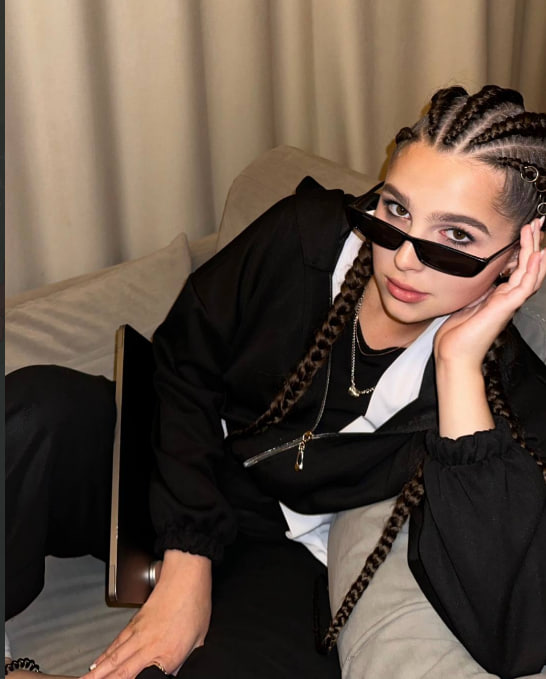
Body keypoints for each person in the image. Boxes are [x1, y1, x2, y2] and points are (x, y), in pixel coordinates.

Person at [5, 84, 546, 679]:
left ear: (519, 254)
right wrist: (188, 557)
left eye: (457, 237)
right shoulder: (306, 237)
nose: (405, 258)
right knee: (37, 410)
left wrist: (457, 364)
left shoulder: (506, 390)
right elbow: (181, 366)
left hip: (283, 554)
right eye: (396, 210)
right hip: (182, 457)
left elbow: (512, 635)